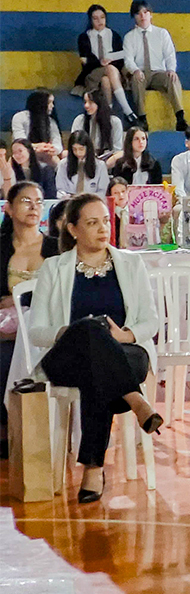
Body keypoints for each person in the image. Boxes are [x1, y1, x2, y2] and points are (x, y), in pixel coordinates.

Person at [27, 193, 163, 503]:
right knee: (90, 329)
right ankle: (134, 398)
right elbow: (37, 331)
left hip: (126, 352)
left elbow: (151, 322)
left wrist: (123, 336)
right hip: (66, 358)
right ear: (73, 229)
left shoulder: (130, 263)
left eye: (105, 220)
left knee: (97, 369)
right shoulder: (54, 267)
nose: (103, 228)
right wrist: (76, 332)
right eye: (92, 223)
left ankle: (93, 467)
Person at [0, 182, 60, 453]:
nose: (34, 206)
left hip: (43, 326)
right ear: (9, 209)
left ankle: (39, 429)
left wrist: (20, 299)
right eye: (26, 201)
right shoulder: (1, 248)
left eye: (38, 201)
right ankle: (6, 428)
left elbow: (61, 294)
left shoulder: (56, 248)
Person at [123, 1, 187, 131]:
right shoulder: (129, 37)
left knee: (172, 78)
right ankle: (142, 118)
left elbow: (170, 54)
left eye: (145, 12)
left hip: (158, 72)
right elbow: (128, 59)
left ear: (151, 14)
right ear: (134, 17)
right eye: (139, 13)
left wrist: (171, 69)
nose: (143, 16)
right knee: (136, 79)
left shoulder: (162, 33)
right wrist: (135, 70)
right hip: (141, 72)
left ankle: (180, 117)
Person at [74, 4, 136, 125]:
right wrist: (100, 62)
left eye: (102, 17)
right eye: (95, 18)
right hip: (92, 73)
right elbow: (85, 61)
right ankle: (127, 110)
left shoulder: (114, 35)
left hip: (114, 74)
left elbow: (121, 58)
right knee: (109, 69)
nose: (99, 21)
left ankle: (108, 113)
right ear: (90, 20)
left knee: (106, 80)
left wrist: (110, 60)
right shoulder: (84, 37)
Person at [11, 89, 64, 166]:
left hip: (45, 154)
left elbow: (58, 143)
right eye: (49, 103)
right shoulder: (20, 117)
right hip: (25, 153)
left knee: (56, 162)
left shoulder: (51, 122)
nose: (52, 106)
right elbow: (20, 141)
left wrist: (51, 149)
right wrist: (37, 147)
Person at [71, 90, 123, 163]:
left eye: (90, 102)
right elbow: (74, 144)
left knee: (121, 154)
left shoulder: (114, 122)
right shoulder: (80, 120)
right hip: (84, 158)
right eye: (85, 102)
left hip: (107, 160)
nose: (86, 105)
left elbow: (117, 149)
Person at [56, 131, 110, 198]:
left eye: (81, 149)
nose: (78, 153)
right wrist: (66, 196)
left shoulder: (100, 166)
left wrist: (87, 199)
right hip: (70, 203)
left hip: (92, 203)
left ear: (88, 148)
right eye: (74, 149)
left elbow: (102, 192)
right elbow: (60, 189)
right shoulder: (63, 165)